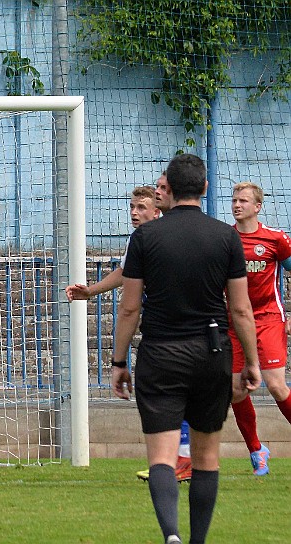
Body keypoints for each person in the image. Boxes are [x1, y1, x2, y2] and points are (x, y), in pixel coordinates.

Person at [111, 154, 261, 544]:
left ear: (169, 192)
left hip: (160, 352)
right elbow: (241, 309)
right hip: (212, 353)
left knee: (160, 457)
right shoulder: (226, 237)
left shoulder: (145, 238)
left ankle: (171, 536)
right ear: (205, 189)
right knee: (206, 456)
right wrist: (251, 363)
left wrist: (118, 360)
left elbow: (129, 307)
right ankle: (197, 542)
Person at [64, 182, 193, 482]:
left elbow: (129, 303)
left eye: (141, 207)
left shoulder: (164, 236)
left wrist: (117, 360)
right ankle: (181, 461)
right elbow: (125, 274)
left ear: (157, 209)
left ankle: (178, 461)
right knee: (170, 395)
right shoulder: (141, 239)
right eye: (132, 208)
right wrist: (91, 291)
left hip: (174, 327)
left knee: (164, 394)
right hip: (168, 326)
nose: (134, 213)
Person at [228, 181, 291, 476]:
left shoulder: (275, 240)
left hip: (267, 318)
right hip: (234, 322)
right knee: (235, 391)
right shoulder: (224, 239)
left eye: (243, 200)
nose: (237, 204)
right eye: (234, 200)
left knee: (277, 386)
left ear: (257, 206)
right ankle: (257, 450)